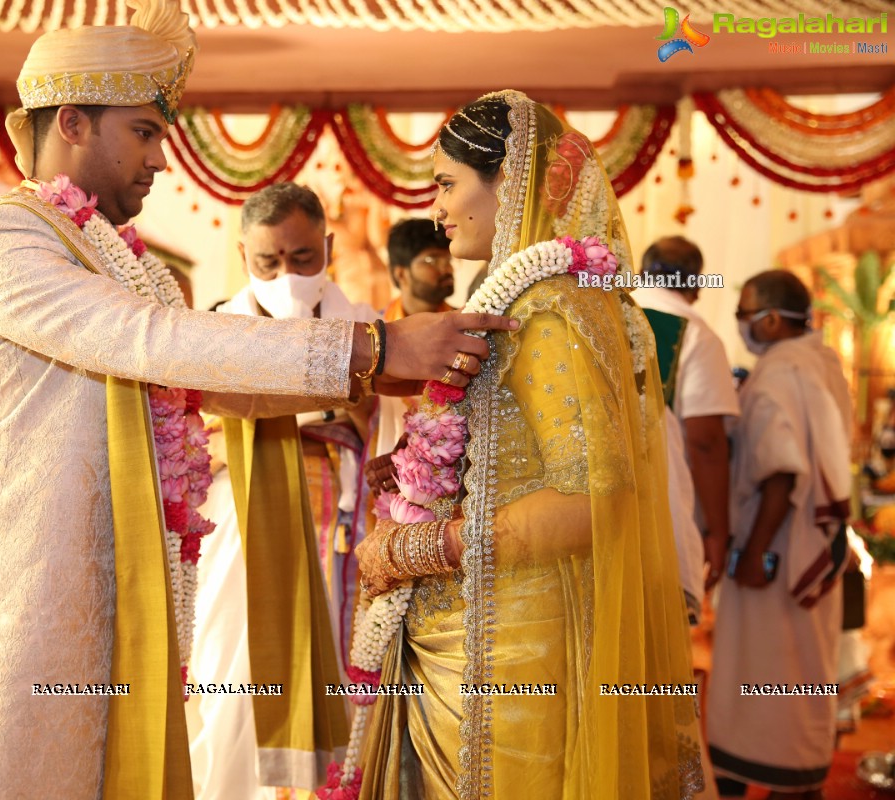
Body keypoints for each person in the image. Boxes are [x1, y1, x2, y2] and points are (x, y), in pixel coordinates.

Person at [0, 3, 516, 797]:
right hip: (37, 581)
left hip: (117, 570)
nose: (160, 159)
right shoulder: (6, 242)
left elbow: (201, 381)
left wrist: (378, 374)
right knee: (27, 774)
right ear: (71, 120)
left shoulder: (116, 256)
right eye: (143, 131)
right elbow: (149, 341)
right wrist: (373, 347)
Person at [354, 91, 702, 799]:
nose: (438, 208)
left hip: (512, 656)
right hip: (492, 628)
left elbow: (591, 500)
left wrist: (427, 545)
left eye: (449, 184)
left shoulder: (546, 314)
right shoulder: (533, 297)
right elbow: (522, 460)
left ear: (506, 185)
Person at [188, 183, 364, 797]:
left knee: (338, 666)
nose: (287, 275)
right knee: (229, 669)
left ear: (329, 246)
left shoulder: (365, 330)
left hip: (341, 532)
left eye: (303, 258)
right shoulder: (213, 333)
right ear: (244, 257)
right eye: (268, 262)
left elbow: (393, 436)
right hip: (240, 529)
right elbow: (191, 438)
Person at [707, 270, 852, 800]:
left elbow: (781, 471)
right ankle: (797, 774)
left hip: (779, 546)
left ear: (770, 318)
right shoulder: (819, 360)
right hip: (811, 538)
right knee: (801, 669)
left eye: (745, 313)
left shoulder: (777, 374)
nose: (742, 323)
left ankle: (774, 774)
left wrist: (755, 551)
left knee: (765, 669)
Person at [635, 236, 739, 597]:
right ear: (695, 286)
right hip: (660, 511)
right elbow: (706, 442)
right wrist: (717, 531)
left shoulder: (607, 312)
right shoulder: (695, 334)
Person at [369, 218, 457, 477]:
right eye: (431, 261)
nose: (445, 268)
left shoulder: (464, 324)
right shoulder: (375, 333)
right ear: (401, 273)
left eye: (447, 260)